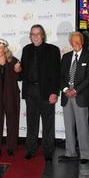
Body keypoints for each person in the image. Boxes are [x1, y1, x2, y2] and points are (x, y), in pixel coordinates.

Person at [20, 24, 60, 161]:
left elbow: (56, 73)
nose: (35, 36)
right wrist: (17, 70)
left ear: (42, 35)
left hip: (47, 92)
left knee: (48, 123)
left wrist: (55, 92)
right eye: (33, 34)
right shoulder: (26, 49)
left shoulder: (53, 50)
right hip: (30, 91)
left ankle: (48, 151)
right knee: (31, 122)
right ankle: (30, 149)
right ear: (30, 36)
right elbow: (23, 72)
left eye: (38, 34)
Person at [59, 31, 89, 164]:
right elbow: (61, 76)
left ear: (83, 42)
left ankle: (85, 155)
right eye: (74, 42)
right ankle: (70, 152)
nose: (76, 44)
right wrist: (65, 90)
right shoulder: (66, 57)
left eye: (78, 41)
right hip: (66, 96)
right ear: (70, 43)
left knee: (82, 127)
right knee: (68, 126)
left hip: (80, 96)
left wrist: (75, 90)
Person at [0, 38, 21, 157]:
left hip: (11, 94)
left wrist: (18, 70)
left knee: (12, 120)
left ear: (5, 48)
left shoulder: (13, 60)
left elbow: (19, 77)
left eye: (0, 47)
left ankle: (11, 146)